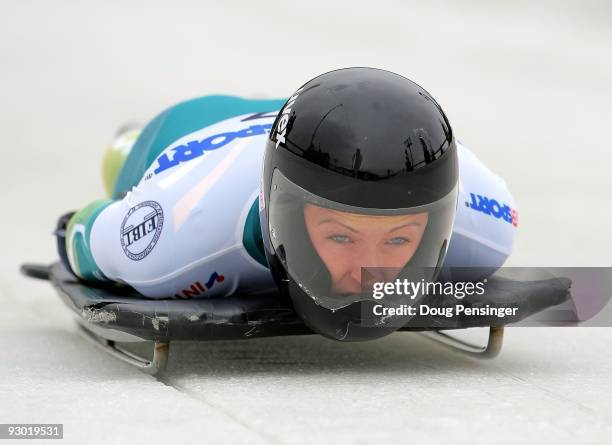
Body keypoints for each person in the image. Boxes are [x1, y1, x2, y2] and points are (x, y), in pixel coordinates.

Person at [60, 69, 517, 324]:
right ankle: (128, 141)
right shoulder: (171, 242)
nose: (371, 276)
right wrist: (79, 233)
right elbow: (85, 236)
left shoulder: (488, 224)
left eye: (398, 240)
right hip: (195, 132)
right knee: (120, 162)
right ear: (287, 216)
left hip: (300, 116)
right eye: (341, 238)